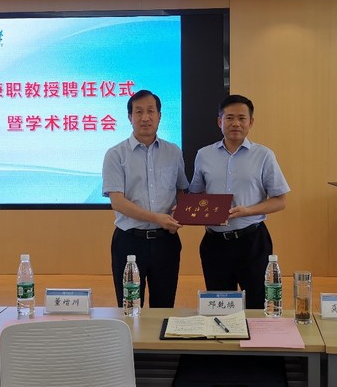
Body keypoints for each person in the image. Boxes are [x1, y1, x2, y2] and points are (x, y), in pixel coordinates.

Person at [189, 94, 290, 309]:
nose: (236, 123)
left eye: (242, 118)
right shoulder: (204, 155)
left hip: (252, 241)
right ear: (220, 121)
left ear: (250, 122)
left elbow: (280, 200)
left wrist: (248, 211)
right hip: (215, 243)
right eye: (229, 118)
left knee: (257, 305)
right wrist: (185, 209)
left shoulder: (264, 155)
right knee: (220, 304)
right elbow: (196, 195)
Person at [102, 90, 189, 308]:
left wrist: (179, 212)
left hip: (166, 242)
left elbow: (181, 191)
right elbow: (118, 202)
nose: (145, 117)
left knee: (164, 306)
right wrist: (157, 218)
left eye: (151, 111)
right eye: (138, 112)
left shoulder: (174, 152)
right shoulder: (115, 154)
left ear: (159, 116)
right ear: (130, 117)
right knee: (130, 307)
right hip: (129, 242)